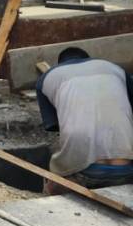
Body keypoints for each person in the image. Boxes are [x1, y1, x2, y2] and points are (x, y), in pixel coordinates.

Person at [35, 47, 133, 191]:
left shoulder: (46, 78)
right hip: (127, 169)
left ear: (60, 64)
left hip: (88, 173)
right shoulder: (116, 70)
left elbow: (54, 126)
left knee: (53, 180)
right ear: (88, 59)